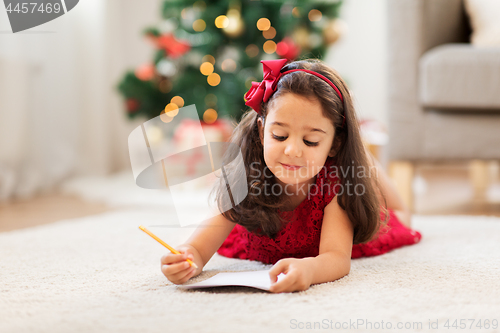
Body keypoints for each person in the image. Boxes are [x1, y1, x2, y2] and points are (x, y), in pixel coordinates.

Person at [161, 58, 421, 293]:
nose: (292, 150)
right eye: (280, 136)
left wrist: (309, 270)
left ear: (334, 144)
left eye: (310, 141)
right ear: (262, 132)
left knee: (400, 217)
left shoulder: (335, 185)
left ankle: (364, 157)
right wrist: (186, 259)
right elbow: (197, 247)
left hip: (352, 192)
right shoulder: (243, 176)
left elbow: (336, 258)